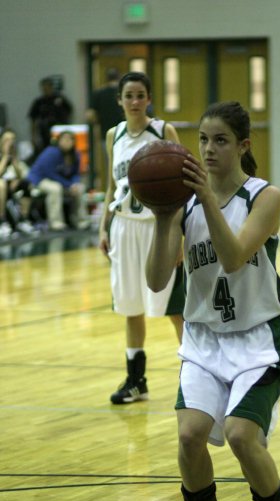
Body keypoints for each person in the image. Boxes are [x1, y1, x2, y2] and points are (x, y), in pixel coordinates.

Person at [146, 101, 280, 501]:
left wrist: (207, 201)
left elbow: (233, 258)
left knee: (239, 436)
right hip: (205, 339)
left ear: (243, 145)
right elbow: (155, 280)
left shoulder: (264, 197)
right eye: (203, 140)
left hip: (257, 341)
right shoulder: (184, 202)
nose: (208, 149)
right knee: (191, 435)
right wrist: (162, 217)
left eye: (221, 140)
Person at [98, 71, 184, 405]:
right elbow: (110, 186)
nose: (134, 102)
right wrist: (103, 227)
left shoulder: (163, 131)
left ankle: (193, 377)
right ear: (119, 100)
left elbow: (182, 183)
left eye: (140, 95)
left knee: (175, 310)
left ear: (149, 98)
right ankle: (136, 380)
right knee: (130, 306)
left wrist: (179, 235)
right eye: (128, 96)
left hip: (158, 227)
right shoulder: (113, 135)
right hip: (123, 226)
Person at [27, 130, 87, 230]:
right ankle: (56, 222)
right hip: (40, 179)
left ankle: (80, 221)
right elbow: (50, 174)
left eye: (70, 140)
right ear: (59, 141)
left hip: (61, 181)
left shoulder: (75, 155)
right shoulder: (51, 152)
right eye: (64, 139)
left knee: (80, 188)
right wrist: (68, 185)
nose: (67, 142)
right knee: (55, 189)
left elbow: (75, 173)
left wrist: (75, 184)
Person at [86, 67, 123, 190]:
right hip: (125, 133)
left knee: (111, 164)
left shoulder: (99, 93)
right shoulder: (123, 93)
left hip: (106, 133)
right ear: (118, 78)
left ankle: (112, 191)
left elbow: (90, 115)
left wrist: (99, 121)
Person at [0, 128, 36, 238]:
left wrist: (14, 160)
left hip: (11, 185)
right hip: (2, 185)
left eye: (12, 139)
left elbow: (19, 175)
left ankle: (23, 220)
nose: (10, 142)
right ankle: (2, 221)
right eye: (7, 140)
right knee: (1, 185)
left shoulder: (15, 155)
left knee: (26, 184)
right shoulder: (3, 156)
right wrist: (5, 156)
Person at [28, 77, 73, 158]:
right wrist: (33, 137)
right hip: (45, 133)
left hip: (60, 132)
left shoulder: (60, 99)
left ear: (51, 87)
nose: (46, 90)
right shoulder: (39, 102)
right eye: (44, 88)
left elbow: (69, 111)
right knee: (47, 154)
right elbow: (33, 119)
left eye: (48, 87)